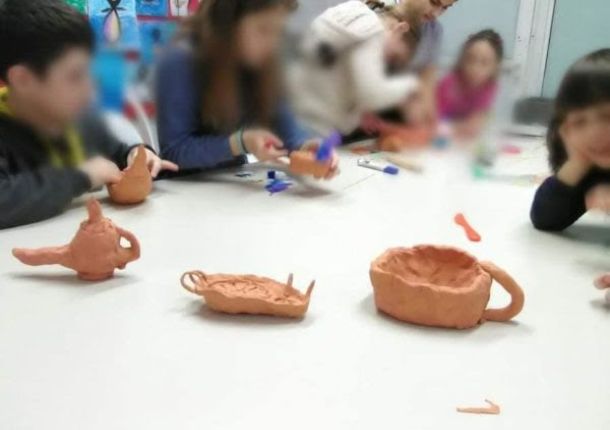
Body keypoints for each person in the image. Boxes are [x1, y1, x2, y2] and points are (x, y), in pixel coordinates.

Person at [0, 0, 177, 230]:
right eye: (75, 76)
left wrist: (135, 155)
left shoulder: (75, 117)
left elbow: (114, 151)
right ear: (23, 80)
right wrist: (81, 176)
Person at [156, 0, 338, 178]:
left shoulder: (262, 60)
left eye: (278, 31)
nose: (272, 43)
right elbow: (174, 151)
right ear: (228, 25)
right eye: (263, 29)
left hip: (234, 180)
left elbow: (286, 127)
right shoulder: (180, 60)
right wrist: (239, 143)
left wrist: (306, 146)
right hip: (184, 186)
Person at [288, 0, 420, 136]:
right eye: (394, 56)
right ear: (400, 29)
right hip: (307, 122)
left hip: (296, 109)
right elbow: (372, 93)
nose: (387, 61)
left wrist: (356, 115)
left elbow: (337, 74)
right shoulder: (373, 29)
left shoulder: (352, 14)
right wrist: (412, 85)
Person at [530, 49, 610, 232]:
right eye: (579, 122)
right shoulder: (590, 169)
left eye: (607, 116)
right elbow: (545, 220)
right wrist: (577, 163)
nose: (594, 133)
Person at [395, 0, 460, 125]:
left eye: (445, 8)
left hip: (399, 113)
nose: (436, 14)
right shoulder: (380, 12)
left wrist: (432, 125)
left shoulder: (433, 31)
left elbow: (427, 83)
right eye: (434, 2)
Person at [436, 29, 503, 139]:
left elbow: (476, 122)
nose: (475, 68)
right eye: (470, 59)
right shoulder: (449, 84)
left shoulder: (490, 86)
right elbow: (433, 121)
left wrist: (475, 123)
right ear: (462, 59)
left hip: (463, 140)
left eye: (485, 62)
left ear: (495, 66)